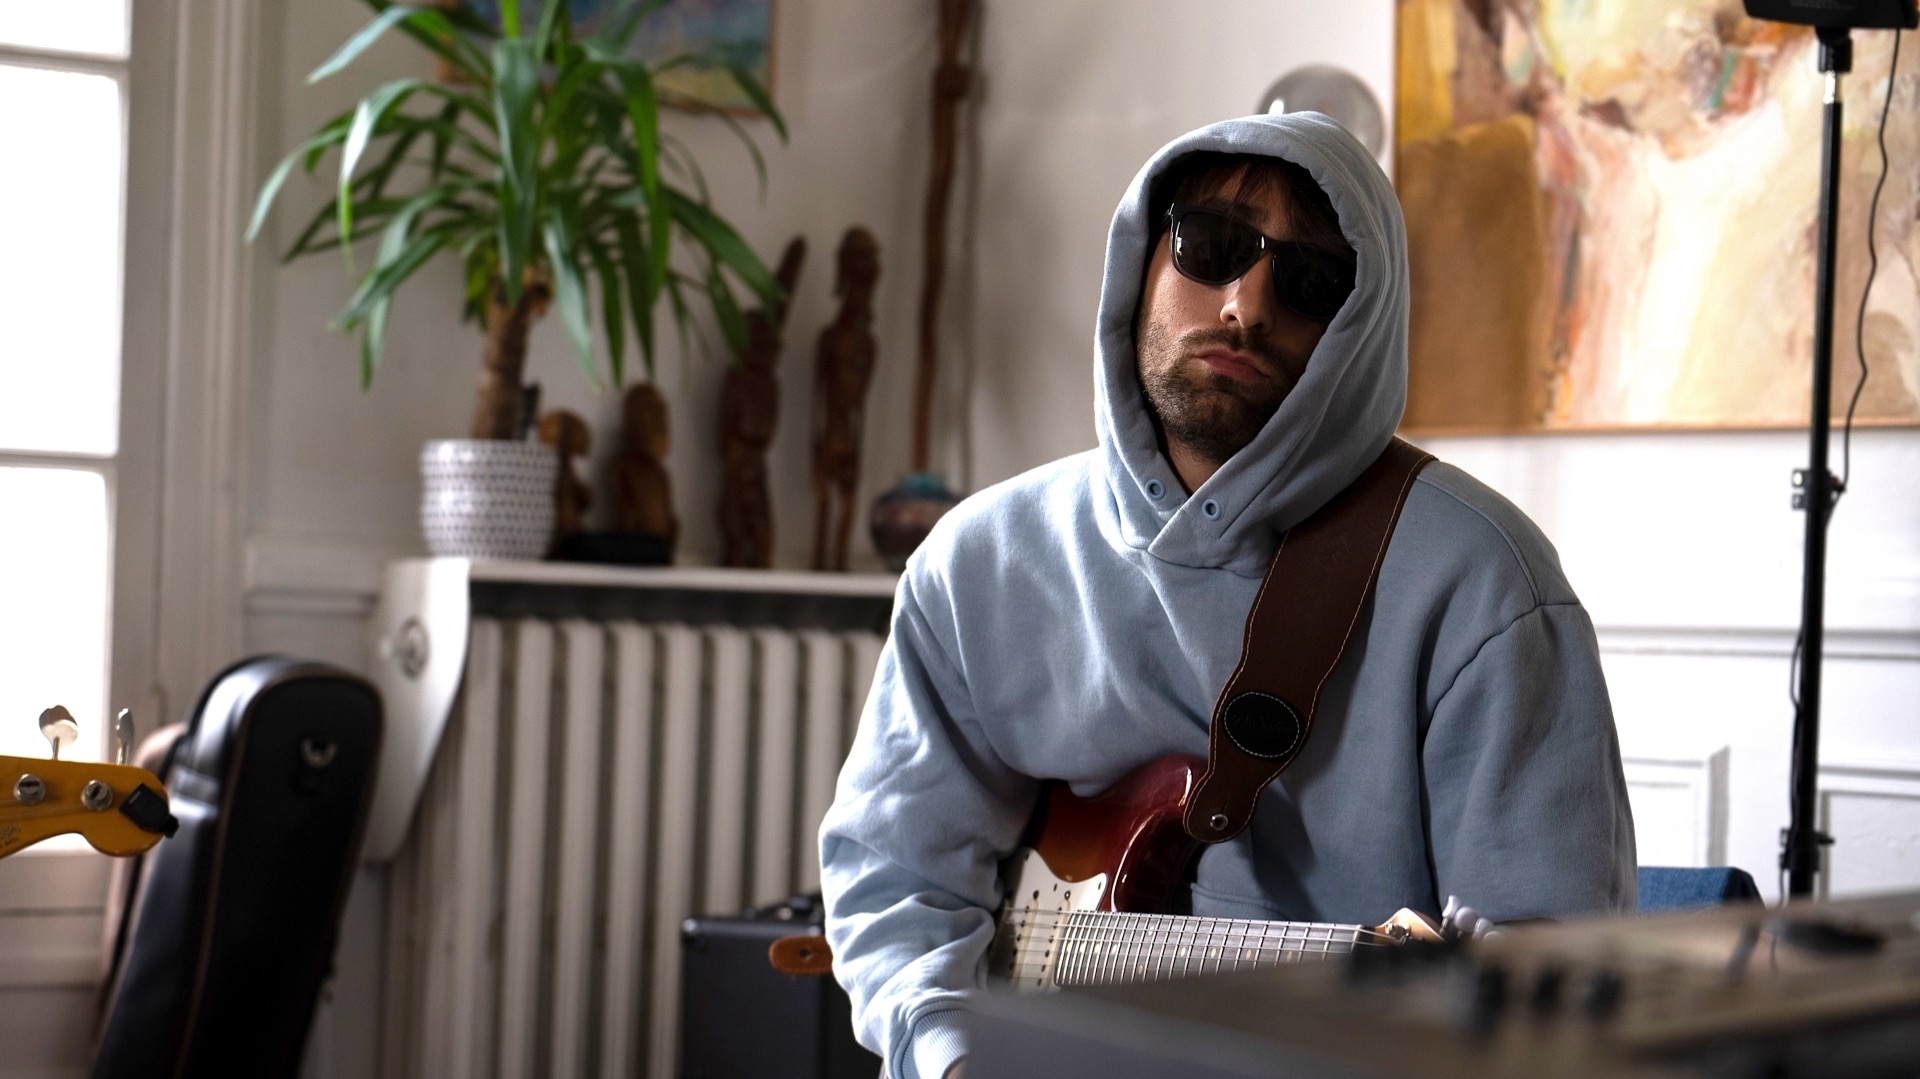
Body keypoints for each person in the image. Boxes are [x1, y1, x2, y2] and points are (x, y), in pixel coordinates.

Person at [818, 113, 1636, 1079]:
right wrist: (955, 1057)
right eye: (1212, 246)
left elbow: (1551, 982)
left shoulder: (1489, 587)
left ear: (1358, 326)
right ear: (1143, 257)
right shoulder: (975, 562)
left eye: (1311, 280)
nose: (1246, 305)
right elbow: (898, 883)